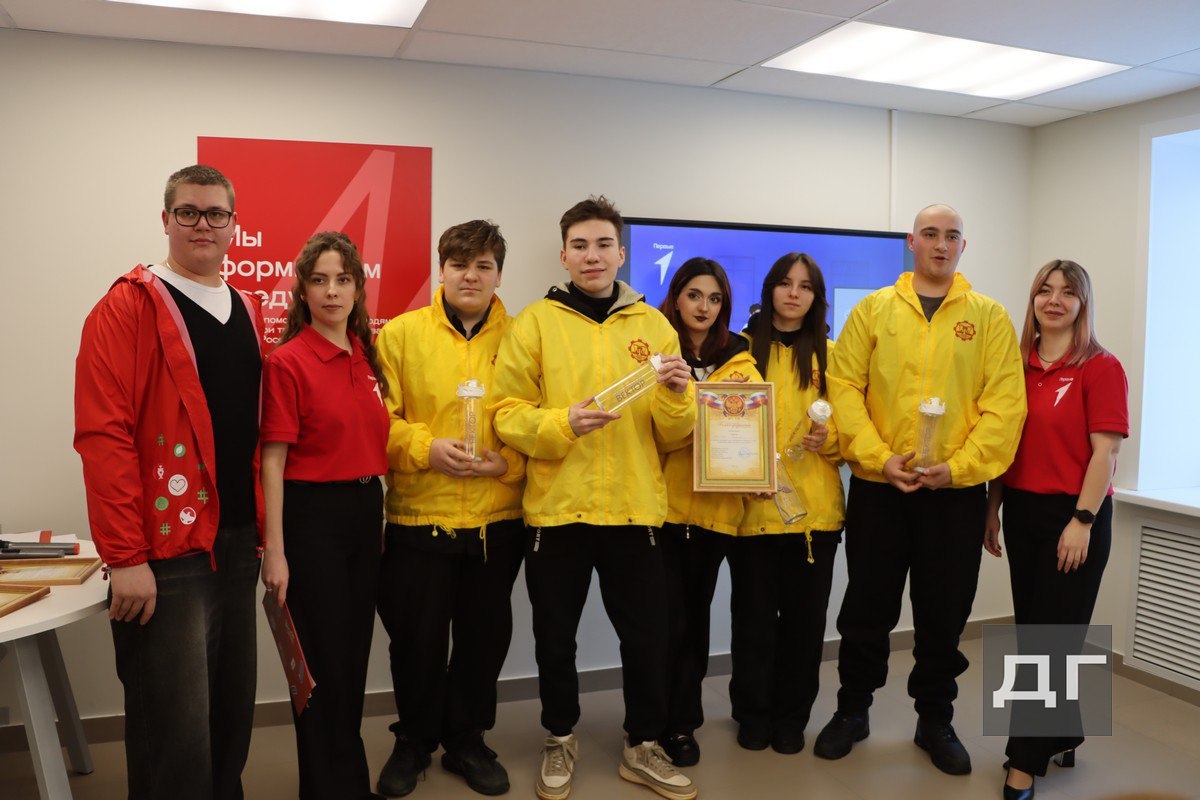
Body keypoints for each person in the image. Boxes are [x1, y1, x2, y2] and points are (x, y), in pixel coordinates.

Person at [491, 196, 698, 800]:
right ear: (563, 255)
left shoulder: (655, 327)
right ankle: (560, 737)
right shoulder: (535, 323)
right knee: (555, 639)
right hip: (558, 511)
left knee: (647, 637)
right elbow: (506, 413)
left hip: (635, 510)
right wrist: (562, 424)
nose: (592, 256)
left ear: (621, 253)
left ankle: (643, 745)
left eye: (603, 244)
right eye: (579, 245)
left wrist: (677, 395)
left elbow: (674, 434)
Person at [815, 204, 1026, 776]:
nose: (941, 244)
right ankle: (852, 710)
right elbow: (844, 388)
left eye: (952, 236)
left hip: (954, 495)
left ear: (963, 246)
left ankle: (935, 720)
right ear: (912, 242)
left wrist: (958, 468)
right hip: (880, 489)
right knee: (867, 608)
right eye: (930, 234)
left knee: (944, 614)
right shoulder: (874, 310)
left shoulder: (989, 318)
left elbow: (1005, 406)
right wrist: (879, 458)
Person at [74, 165, 264, 799]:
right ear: (166, 220)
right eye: (188, 212)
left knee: (230, 715)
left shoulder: (246, 307)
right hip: (165, 550)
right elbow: (103, 436)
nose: (202, 224)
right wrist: (126, 557)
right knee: (174, 731)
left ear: (234, 226)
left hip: (237, 542)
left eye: (216, 213)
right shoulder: (127, 306)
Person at [374, 220, 527, 797]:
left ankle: (467, 740)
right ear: (441, 270)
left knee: (484, 641)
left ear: (499, 275)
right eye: (460, 264)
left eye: (483, 266)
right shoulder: (400, 335)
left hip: (496, 521)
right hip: (420, 518)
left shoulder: (524, 337)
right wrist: (425, 448)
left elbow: (538, 419)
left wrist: (507, 465)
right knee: (416, 643)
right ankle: (413, 741)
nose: (471, 276)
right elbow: (378, 421)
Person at [984, 260, 1127, 800]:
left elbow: (1104, 454)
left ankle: (1022, 763)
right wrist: (993, 507)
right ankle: (1064, 734)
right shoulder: (1014, 365)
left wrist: (1082, 521)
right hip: (1022, 511)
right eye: (1045, 290)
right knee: (1036, 634)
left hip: (1076, 514)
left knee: (1051, 642)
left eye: (1068, 292)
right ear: (1033, 299)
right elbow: (1004, 446)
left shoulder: (1100, 367)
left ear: (1082, 304)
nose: (1054, 300)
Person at [259, 231, 389, 799]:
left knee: (353, 659)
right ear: (303, 291)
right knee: (319, 666)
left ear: (358, 288)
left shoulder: (365, 355)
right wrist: (276, 551)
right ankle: (325, 788)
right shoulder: (287, 362)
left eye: (342, 279)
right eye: (319, 280)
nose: (332, 291)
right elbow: (272, 461)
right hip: (311, 519)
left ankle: (349, 784)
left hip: (364, 511)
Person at [731, 253, 845, 756]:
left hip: (814, 517)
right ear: (769, 290)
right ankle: (752, 714)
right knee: (752, 621)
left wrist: (831, 439)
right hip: (753, 511)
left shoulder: (833, 356)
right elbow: (720, 427)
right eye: (784, 283)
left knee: (805, 626)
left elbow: (853, 427)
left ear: (816, 297)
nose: (794, 293)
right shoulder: (739, 350)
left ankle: (792, 717)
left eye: (805, 286)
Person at [655, 257, 762, 767]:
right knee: (660, 625)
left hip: (716, 516)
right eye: (694, 295)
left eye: (715, 298)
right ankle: (649, 721)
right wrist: (702, 411)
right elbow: (654, 431)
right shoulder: (655, 351)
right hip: (659, 512)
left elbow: (746, 431)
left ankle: (682, 725)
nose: (704, 307)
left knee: (694, 624)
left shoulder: (741, 359)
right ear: (676, 298)